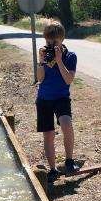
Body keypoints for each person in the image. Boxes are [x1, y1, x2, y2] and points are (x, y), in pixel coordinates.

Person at [36, 24, 78, 183]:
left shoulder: (70, 56)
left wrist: (59, 61)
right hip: (44, 98)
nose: (51, 46)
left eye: (55, 42)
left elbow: (68, 80)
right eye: (48, 42)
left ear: (62, 39)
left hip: (61, 97)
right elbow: (40, 79)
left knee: (66, 125)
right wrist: (41, 62)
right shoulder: (45, 55)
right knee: (49, 134)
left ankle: (69, 160)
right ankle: (52, 169)